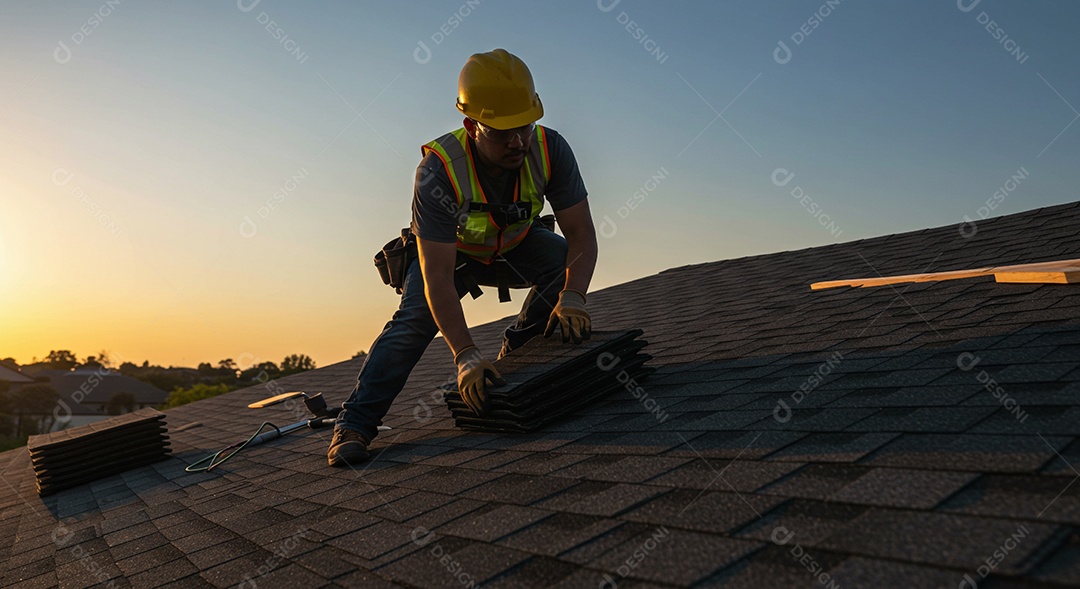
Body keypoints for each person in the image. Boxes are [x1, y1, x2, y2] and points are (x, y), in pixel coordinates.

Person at [328, 49, 598, 467]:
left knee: (560, 263)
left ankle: (519, 354)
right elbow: (437, 278)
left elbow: (581, 234)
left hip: (515, 245)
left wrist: (574, 295)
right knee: (415, 318)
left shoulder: (550, 149)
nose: (518, 141)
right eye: (502, 132)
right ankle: (355, 424)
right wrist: (465, 354)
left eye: (524, 126)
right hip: (452, 258)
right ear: (472, 126)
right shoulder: (438, 170)